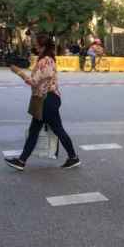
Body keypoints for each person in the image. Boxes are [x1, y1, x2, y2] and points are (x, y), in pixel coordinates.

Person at [6, 33, 81, 171]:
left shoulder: (45, 61)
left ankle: (22, 161)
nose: (34, 46)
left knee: (51, 129)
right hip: (47, 99)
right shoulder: (48, 59)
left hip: (47, 100)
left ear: (42, 46)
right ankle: (21, 161)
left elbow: (34, 82)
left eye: (36, 44)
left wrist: (19, 72)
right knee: (36, 130)